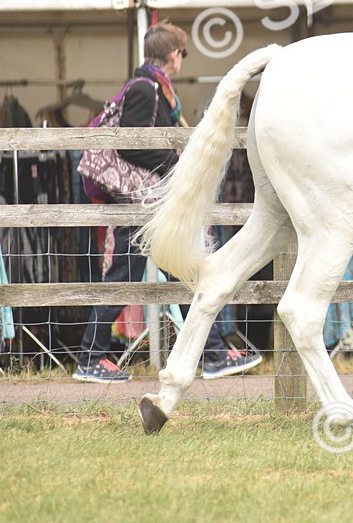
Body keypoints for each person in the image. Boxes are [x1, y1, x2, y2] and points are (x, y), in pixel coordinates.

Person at [74, 23, 262, 383]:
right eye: (183, 52)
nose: (182, 59)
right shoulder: (147, 88)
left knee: (175, 272)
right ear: (173, 53)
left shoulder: (151, 86)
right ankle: (93, 358)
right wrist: (180, 165)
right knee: (143, 275)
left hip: (145, 201)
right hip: (143, 200)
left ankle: (210, 354)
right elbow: (134, 143)